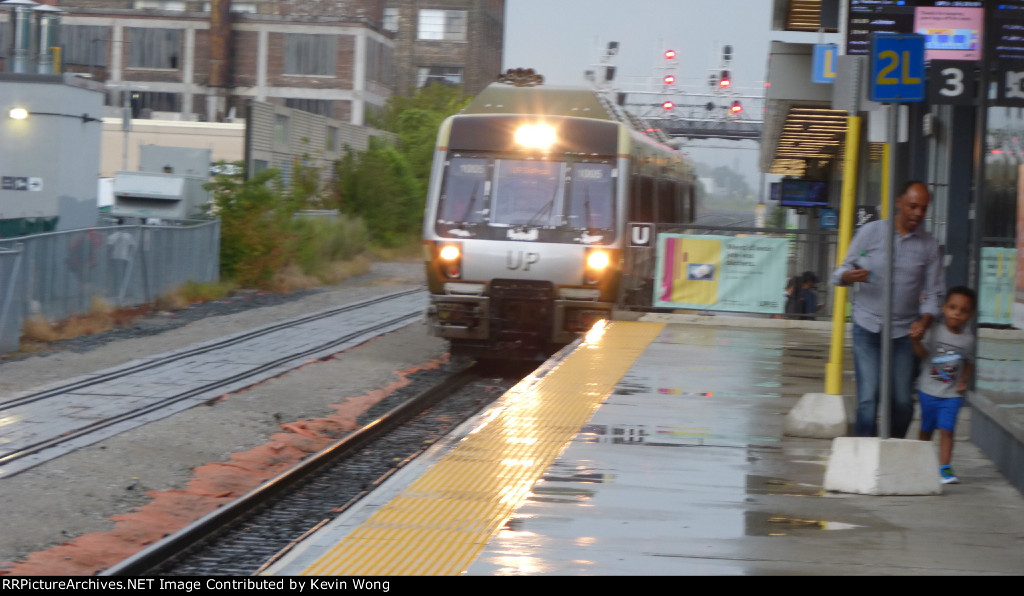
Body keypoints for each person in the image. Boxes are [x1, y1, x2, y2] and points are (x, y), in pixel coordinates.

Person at [832, 180, 945, 438]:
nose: (918, 213)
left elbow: (935, 294)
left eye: (923, 208)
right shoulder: (871, 233)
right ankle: (863, 458)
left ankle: (892, 449)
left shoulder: (929, 246)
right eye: (913, 206)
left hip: (904, 333)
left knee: (902, 403)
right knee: (868, 401)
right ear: (899, 203)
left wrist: (924, 322)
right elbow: (838, 272)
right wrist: (849, 277)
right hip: (867, 327)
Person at [912, 286, 976, 484]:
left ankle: (944, 468)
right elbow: (923, 354)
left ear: (970, 315)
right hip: (928, 391)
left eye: (963, 310)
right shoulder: (934, 332)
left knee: (947, 430)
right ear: (944, 308)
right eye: (953, 307)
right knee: (926, 428)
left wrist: (964, 380)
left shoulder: (968, 340)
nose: (957, 313)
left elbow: (969, 361)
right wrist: (915, 341)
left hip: (951, 396)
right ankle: (920, 463)